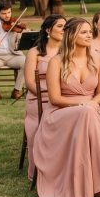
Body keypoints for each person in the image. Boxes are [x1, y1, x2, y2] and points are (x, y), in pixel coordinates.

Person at [31, 18, 100, 197]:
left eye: (88, 32)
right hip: (59, 115)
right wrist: (84, 103)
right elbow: (55, 99)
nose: (89, 35)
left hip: (88, 113)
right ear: (71, 35)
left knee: (88, 113)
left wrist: (91, 103)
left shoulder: (98, 59)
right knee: (87, 112)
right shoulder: (56, 62)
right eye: (83, 32)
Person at [23, 14, 65, 179]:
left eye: (65, 27)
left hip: (63, 97)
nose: (64, 30)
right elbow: (29, 82)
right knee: (39, 120)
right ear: (48, 30)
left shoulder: (68, 50)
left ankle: (62, 167)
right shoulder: (35, 52)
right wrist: (46, 97)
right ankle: (40, 171)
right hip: (38, 98)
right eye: (60, 26)